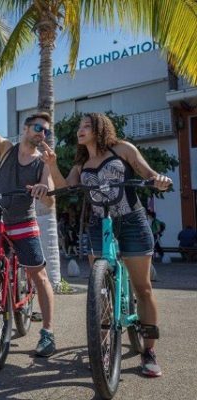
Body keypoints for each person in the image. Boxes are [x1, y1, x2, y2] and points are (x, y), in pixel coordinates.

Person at [44, 112, 172, 376]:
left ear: (100, 128)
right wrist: (52, 164)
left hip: (132, 221)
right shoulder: (81, 163)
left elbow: (148, 173)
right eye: (79, 126)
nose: (80, 130)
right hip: (98, 224)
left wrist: (158, 181)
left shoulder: (122, 149)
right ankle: (101, 345)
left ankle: (148, 352)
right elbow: (66, 188)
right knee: (100, 289)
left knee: (143, 288)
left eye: (86, 126)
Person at [0, 110, 57, 357]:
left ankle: (48, 335)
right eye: (39, 128)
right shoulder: (7, 150)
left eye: (46, 131)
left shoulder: (43, 161)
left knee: (39, 276)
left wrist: (43, 189)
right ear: (26, 129)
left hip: (23, 222)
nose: (43, 133)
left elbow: (49, 196)